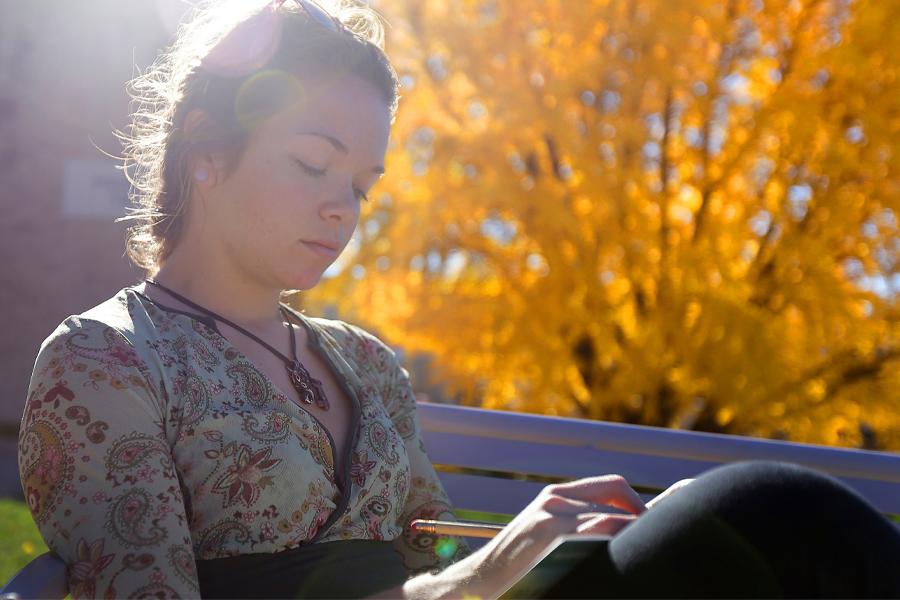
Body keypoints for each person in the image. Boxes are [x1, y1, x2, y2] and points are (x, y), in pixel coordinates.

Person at [17, 1, 900, 598]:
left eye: (363, 184)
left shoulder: (362, 362)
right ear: (204, 152)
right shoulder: (104, 362)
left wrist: (529, 543)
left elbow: (424, 551)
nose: (342, 205)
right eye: (314, 163)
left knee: (767, 529)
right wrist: (468, 582)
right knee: (764, 510)